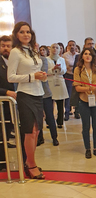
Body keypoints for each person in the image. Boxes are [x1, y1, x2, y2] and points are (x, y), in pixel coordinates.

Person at [7, 21, 47, 179]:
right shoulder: (15, 52)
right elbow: (11, 77)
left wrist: (41, 76)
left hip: (38, 94)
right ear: (16, 34)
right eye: (22, 32)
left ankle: (31, 161)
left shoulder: (32, 51)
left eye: (28, 32)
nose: (26, 35)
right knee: (30, 132)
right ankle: (30, 164)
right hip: (25, 94)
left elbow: (37, 72)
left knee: (36, 132)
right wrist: (32, 76)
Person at [73, 48, 96, 159]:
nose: (87, 56)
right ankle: (87, 149)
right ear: (82, 56)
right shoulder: (78, 69)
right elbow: (77, 87)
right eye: (85, 54)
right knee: (86, 126)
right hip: (84, 101)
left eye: (89, 54)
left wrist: (95, 88)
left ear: (93, 56)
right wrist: (88, 88)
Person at [0, 35, 16, 171]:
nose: (6, 49)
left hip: (13, 104)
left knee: (8, 131)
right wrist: (6, 92)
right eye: (3, 46)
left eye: (8, 46)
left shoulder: (15, 61)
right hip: (2, 102)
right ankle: (2, 163)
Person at [46, 43, 69, 128]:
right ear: (50, 49)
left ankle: (60, 122)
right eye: (53, 47)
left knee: (60, 103)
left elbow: (65, 70)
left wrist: (60, 69)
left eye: (57, 48)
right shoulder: (46, 59)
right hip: (50, 81)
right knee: (49, 104)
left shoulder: (61, 59)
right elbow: (45, 71)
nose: (55, 49)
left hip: (59, 81)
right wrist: (52, 69)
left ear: (59, 50)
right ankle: (49, 122)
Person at [63, 40, 79, 121]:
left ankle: (77, 112)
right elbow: (70, 64)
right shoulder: (65, 55)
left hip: (77, 76)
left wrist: (72, 65)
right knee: (68, 94)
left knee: (77, 93)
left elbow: (74, 65)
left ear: (76, 46)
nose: (72, 47)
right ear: (68, 47)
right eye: (70, 45)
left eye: (73, 45)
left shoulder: (78, 55)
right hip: (68, 76)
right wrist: (73, 65)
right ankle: (67, 112)